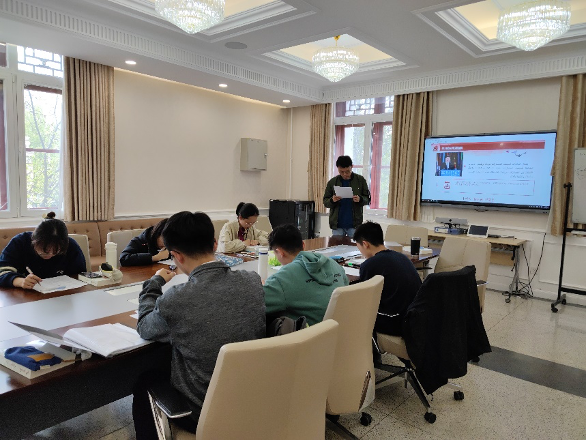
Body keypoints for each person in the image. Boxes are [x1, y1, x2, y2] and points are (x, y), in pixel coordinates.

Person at [133, 211, 266, 439]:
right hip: (253, 401)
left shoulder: (177, 299)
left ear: (176, 256)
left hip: (203, 412)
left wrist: (153, 284)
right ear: (214, 244)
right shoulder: (253, 282)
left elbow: (145, 327)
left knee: (145, 380)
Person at [263, 224, 349, 326]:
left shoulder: (281, 280)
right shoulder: (334, 265)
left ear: (280, 252)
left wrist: (259, 286)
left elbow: (254, 304)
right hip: (342, 329)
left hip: (311, 334)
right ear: (303, 245)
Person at [353, 221, 422, 336]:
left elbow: (366, 300)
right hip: (417, 317)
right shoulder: (402, 257)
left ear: (365, 244)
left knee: (354, 311)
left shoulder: (369, 265)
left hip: (397, 321)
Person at [0, 212, 86, 289]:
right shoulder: (19, 242)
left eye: (56, 251)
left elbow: (80, 275)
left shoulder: (71, 246)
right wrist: (20, 281)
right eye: (44, 250)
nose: (50, 254)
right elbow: (2, 271)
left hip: (61, 294)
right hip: (25, 296)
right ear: (34, 240)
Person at [323, 155, 370, 238]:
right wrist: (332, 200)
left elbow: (368, 199)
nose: (345, 174)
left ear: (352, 167)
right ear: (338, 169)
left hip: (354, 224)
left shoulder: (360, 180)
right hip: (337, 224)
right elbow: (325, 202)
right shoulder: (332, 182)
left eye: (347, 171)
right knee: (336, 245)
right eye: (341, 172)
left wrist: (360, 199)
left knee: (354, 246)